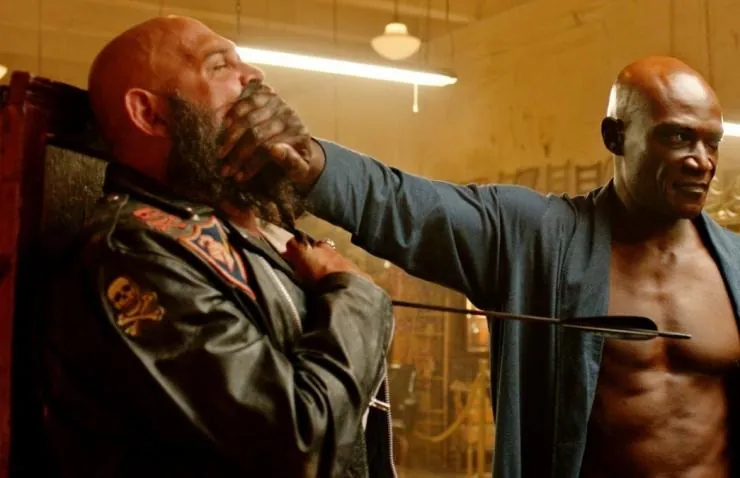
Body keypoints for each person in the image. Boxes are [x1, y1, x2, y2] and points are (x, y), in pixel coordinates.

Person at [217, 57, 740, 477]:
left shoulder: (734, 266)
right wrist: (308, 160)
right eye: (676, 137)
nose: (701, 160)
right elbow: (406, 204)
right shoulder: (535, 237)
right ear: (615, 136)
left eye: (710, 141)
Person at [41, 16, 396, 478]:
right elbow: (296, 444)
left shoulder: (239, 227)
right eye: (219, 66)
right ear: (150, 114)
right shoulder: (134, 253)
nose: (254, 75)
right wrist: (353, 294)